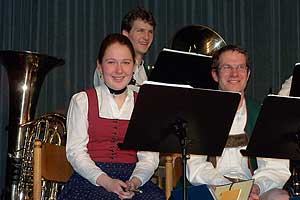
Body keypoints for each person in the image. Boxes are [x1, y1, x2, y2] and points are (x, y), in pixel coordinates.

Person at [58, 33, 165, 200]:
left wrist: (134, 182)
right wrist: (107, 182)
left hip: (132, 178)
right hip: (92, 179)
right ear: (99, 67)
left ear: (134, 67)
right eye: (111, 62)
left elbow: (148, 158)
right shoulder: (82, 101)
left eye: (126, 63)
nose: (119, 70)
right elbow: (76, 153)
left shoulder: (145, 106)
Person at [186, 45, 291, 200]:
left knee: (280, 197)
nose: (234, 73)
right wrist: (230, 188)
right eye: (227, 67)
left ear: (248, 74)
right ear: (215, 74)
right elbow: (195, 166)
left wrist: (256, 186)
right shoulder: (200, 114)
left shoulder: (262, 113)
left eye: (240, 67)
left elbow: (276, 167)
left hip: (252, 186)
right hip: (213, 186)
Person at [93, 7, 156, 91]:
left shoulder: (147, 73)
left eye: (150, 32)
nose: (146, 37)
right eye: (140, 31)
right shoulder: (108, 67)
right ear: (125, 34)